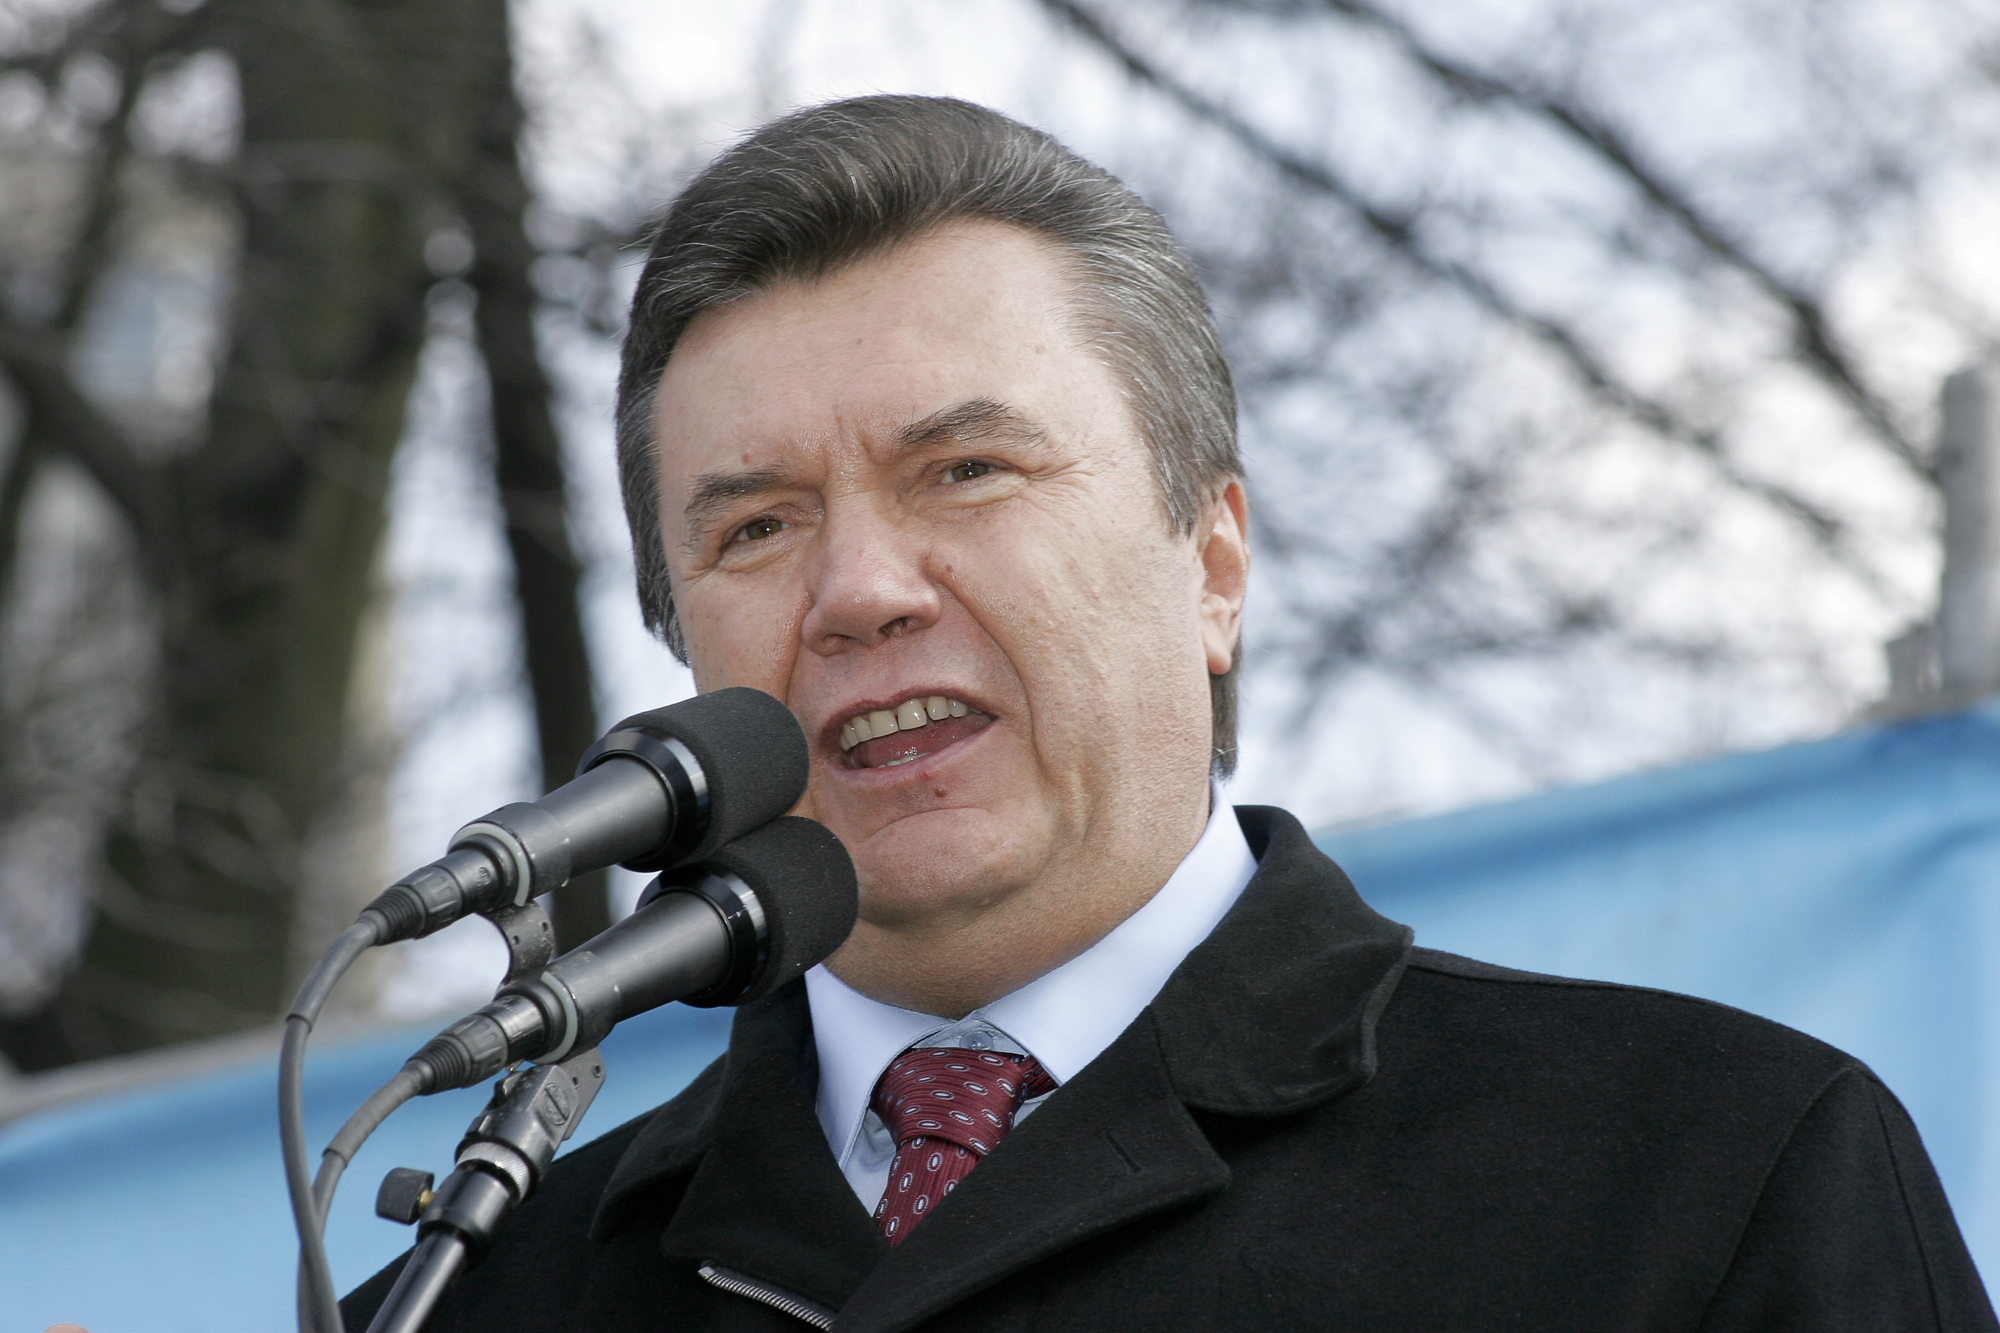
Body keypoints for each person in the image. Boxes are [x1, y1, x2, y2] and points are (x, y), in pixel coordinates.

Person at [340, 95, 1995, 1331]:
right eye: (757, 525)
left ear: (1212, 563)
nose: (859, 590)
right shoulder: (478, 1298)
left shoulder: (1707, 1178)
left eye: (966, 470)